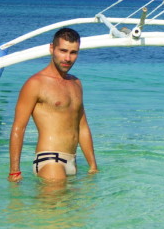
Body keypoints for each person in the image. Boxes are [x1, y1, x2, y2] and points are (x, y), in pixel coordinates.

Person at [7, 27, 98, 182]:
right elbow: (18, 127)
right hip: (50, 161)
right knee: (56, 206)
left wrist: (93, 166)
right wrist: (14, 171)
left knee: (76, 207)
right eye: (63, 51)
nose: (67, 58)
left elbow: (82, 126)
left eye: (73, 52)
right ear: (51, 49)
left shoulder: (76, 83)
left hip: (72, 161)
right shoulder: (35, 83)